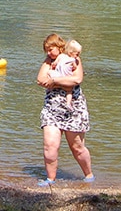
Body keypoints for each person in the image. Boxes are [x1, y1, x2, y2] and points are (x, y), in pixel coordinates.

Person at [35, 33, 94, 187]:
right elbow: (40, 80)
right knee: (50, 145)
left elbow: (77, 79)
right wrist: (63, 83)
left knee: (77, 148)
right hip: (52, 108)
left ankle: (88, 175)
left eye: (50, 49)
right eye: (46, 50)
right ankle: (50, 180)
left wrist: (54, 81)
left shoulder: (73, 58)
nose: (48, 53)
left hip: (73, 108)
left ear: (59, 47)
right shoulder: (49, 61)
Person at [49, 39, 81, 110]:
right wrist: (73, 67)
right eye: (77, 54)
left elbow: (54, 64)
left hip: (58, 75)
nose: (77, 56)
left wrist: (52, 67)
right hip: (67, 78)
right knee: (69, 91)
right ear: (71, 52)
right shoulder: (73, 60)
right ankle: (68, 103)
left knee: (49, 72)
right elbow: (75, 67)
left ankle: (55, 84)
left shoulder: (61, 56)